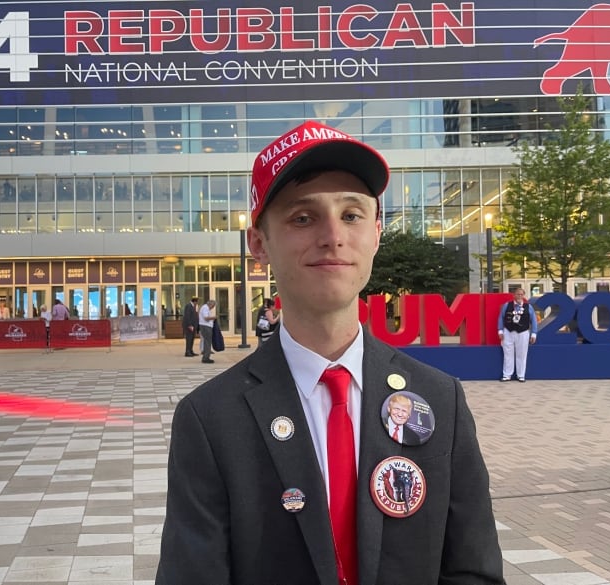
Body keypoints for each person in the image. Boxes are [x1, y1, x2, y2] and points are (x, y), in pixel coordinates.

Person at [156, 120, 504, 584]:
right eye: (303, 217)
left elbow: (473, 571)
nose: (333, 236)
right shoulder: (210, 419)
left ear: (376, 234)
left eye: (352, 215)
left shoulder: (441, 400)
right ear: (258, 243)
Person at [497, 287, 538, 382]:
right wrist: (500, 331)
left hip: (523, 332)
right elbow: (501, 318)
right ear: (514, 295)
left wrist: (534, 334)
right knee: (508, 354)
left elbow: (534, 321)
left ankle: (521, 375)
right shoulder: (507, 305)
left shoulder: (529, 307)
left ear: (523, 295)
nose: (519, 296)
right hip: (508, 332)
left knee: (522, 354)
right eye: (517, 294)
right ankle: (507, 375)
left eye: (521, 294)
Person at [198, 299, 216, 364]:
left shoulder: (205, 308)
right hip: (205, 327)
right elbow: (206, 318)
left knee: (207, 342)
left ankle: (206, 357)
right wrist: (214, 317)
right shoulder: (205, 308)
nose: (212, 308)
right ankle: (206, 358)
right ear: (210, 304)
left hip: (206, 326)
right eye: (213, 306)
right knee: (208, 342)